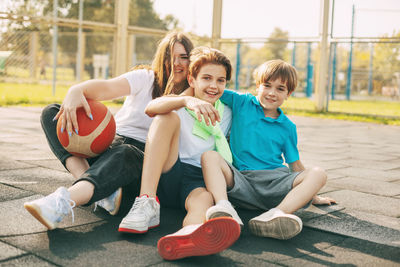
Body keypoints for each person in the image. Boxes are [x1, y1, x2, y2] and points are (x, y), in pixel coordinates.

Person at [23, 31, 194, 230]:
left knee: (127, 151)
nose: (176, 63)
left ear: (192, 60)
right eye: (169, 56)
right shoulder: (146, 77)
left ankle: (62, 203)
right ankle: (96, 188)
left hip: (140, 160)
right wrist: (75, 91)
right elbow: (105, 88)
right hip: (108, 144)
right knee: (52, 113)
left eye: (183, 57)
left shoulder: (191, 96)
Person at [118, 46, 241, 260]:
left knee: (203, 200)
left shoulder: (228, 112)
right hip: (169, 171)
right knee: (165, 117)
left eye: (221, 80)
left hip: (196, 179)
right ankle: (146, 201)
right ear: (192, 80)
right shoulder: (181, 103)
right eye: (207, 78)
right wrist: (187, 100)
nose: (213, 85)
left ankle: (189, 235)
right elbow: (152, 107)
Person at [201, 59, 336, 240]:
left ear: (289, 93)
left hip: (275, 186)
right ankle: (224, 208)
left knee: (319, 173)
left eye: (280, 89)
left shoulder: (287, 127)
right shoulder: (241, 102)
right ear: (258, 86)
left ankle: (275, 214)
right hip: (242, 182)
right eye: (267, 85)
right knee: (209, 156)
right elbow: (212, 89)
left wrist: (313, 195)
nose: (272, 93)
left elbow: (294, 164)